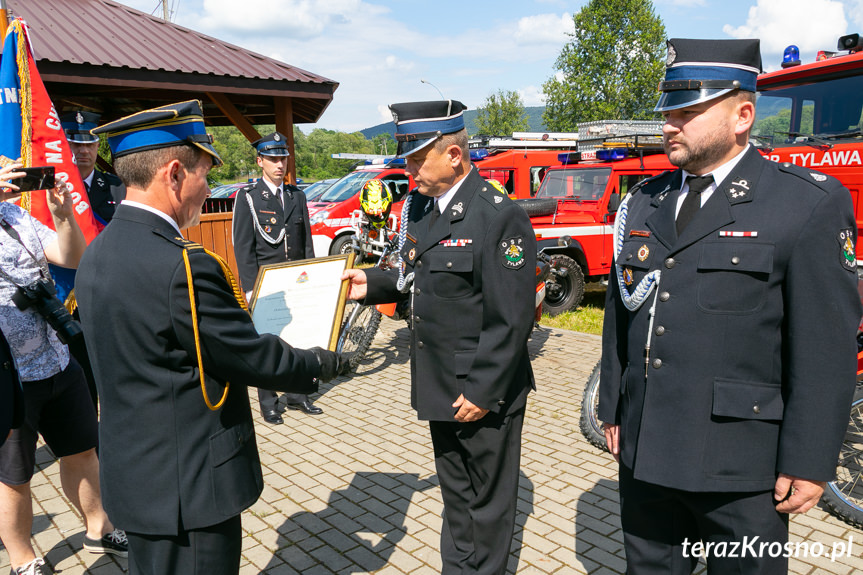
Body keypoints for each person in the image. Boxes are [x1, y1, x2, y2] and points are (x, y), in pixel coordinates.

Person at [598, 38, 862, 574]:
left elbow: (825, 345)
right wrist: (614, 407)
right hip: (647, 450)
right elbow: (619, 313)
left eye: (689, 112)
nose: (670, 124)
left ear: (743, 115)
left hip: (741, 464)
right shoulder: (645, 200)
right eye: (668, 111)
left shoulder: (805, 201)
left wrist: (809, 460)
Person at [75, 100, 347, 575]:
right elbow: (249, 356)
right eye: (204, 172)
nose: (207, 188)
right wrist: (321, 364)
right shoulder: (182, 265)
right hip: (190, 490)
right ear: (175, 173)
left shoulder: (98, 251)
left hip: (135, 484)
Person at [342, 100, 536, 575]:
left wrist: (484, 390)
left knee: (487, 504)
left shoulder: (497, 216)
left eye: (415, 158)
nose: (406, 168)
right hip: (439, 382)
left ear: (453, 155)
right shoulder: (424, 210)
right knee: (455, 494)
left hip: (483, 390)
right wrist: (371, 284)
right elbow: (409, 270)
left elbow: (512, 318)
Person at [0, 162, 126, 575]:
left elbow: (72, 256)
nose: (11, 178)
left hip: (56, 358)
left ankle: (99, 528)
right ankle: (22, 558)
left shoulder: (15, 215)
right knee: (14, 476)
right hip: (9, 375)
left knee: (82, 451)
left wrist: (62, 214)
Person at [232, 131, 321, 422]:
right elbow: (244, 246)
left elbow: (305, 242)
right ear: (260, 161)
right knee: (268, 342)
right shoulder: (249, 198)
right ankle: (268, 400)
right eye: (272, 158)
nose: (279, 164)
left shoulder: (297, 195)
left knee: (299, 339)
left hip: (296, 281)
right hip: (266, 285)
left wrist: (315, 277)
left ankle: (299, 394)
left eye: (282, 157)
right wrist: (249, 289)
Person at [60, 111, 125, 225]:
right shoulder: (51, 188)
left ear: (97, 146)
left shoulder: (118, 187)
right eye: (76, 144)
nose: (84, 151)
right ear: (62, 146)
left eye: (90, 145)